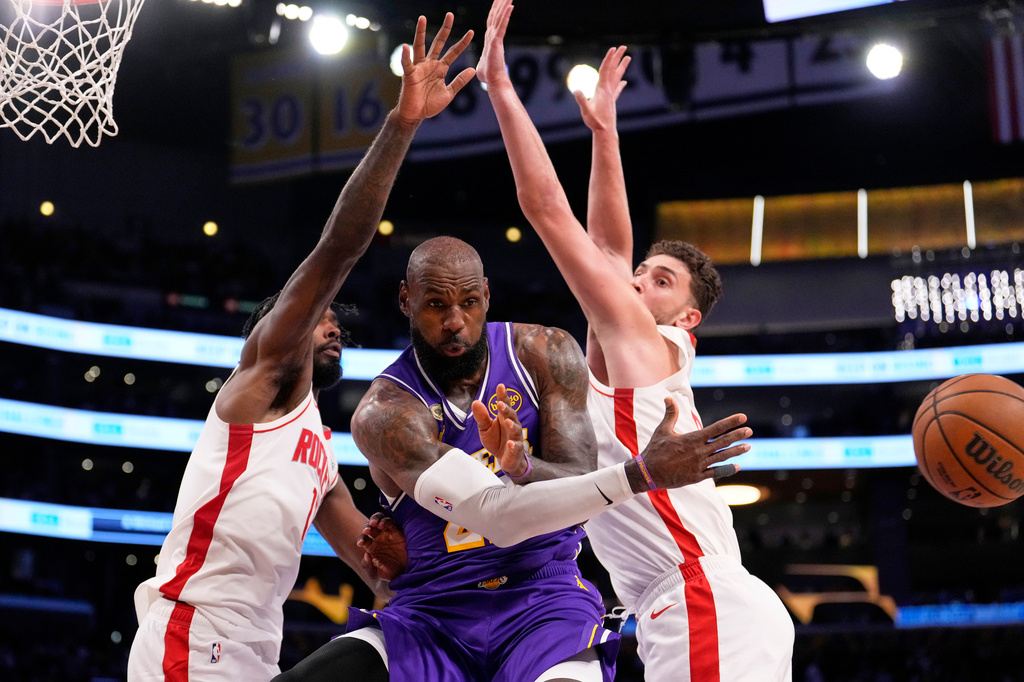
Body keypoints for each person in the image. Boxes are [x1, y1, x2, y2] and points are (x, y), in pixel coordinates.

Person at [125, 12, 477, 681]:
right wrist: (402, 125)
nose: (335, 326)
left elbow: (370, 564)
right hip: (193, 632)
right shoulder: (264, 380)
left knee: (394, 649)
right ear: (282, 325)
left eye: (338, 324)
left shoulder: (315, 447)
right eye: (321, 321)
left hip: (254, 646)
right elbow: (340, 247)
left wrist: (452, 566)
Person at [476, 1, 796, 680]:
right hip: (685, 602)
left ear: (685, 320)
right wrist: (605, 135)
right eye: (642, 275)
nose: (638, 284)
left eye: (661, 281)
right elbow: (607, 248)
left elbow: (548, 213)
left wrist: (501, 87)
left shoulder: (652, 353)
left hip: (700, 597)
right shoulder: (629, 357)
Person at [275, 231, 751, 682]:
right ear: (406, 301)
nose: (454, 321)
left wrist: (523, 467)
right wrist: (640, 473)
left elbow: (578, 481)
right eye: (436, 305)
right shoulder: (385, 411)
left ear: (486, 294)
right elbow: (495, 516)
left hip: (543, 598)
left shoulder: (543, 351)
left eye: (468, 302)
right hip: (434, 610)